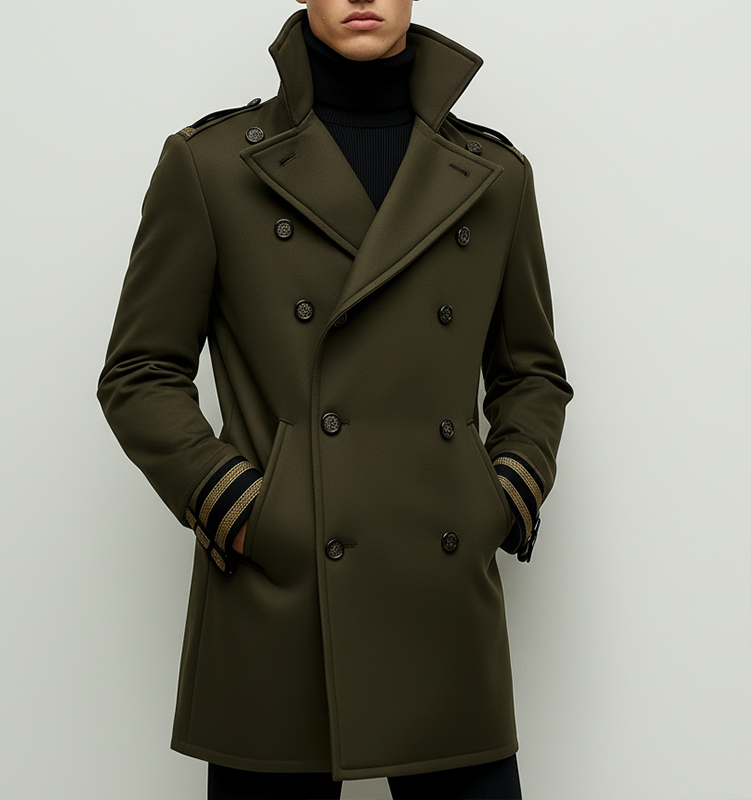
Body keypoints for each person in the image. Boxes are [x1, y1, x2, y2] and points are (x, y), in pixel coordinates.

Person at [97, 0, 573, 797]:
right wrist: (243, 505)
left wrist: (501, 494)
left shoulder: (495, 175)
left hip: (441, 592)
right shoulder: (211, 165)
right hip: (280, 592)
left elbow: (531, 373)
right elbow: (140, 371)